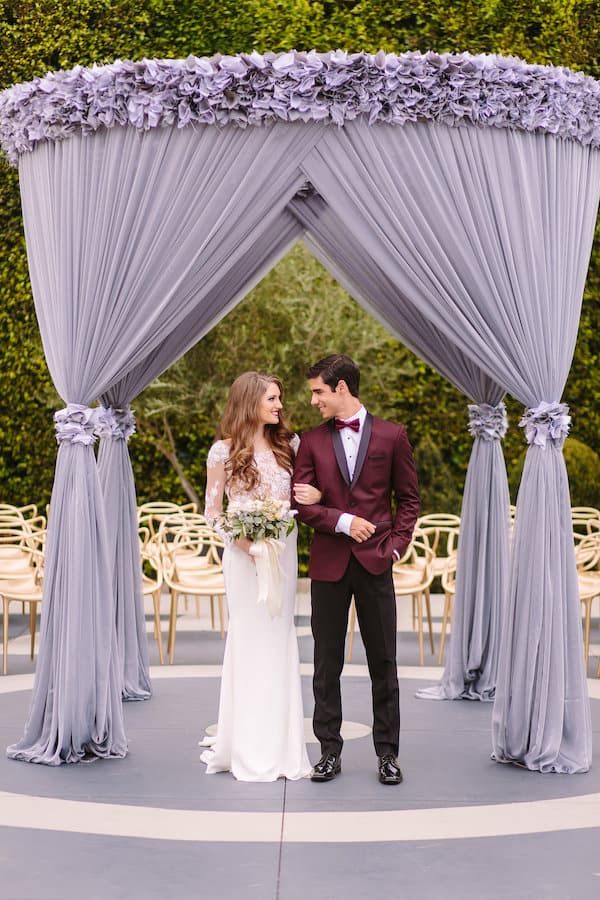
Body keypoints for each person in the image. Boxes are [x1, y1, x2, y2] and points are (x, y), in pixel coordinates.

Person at [293, 354, 420, 785]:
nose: (313, 401)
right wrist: (342, 521)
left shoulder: (392, 435)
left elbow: (409, 500)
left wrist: (397, 548)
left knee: (383, 661)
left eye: (318, 391)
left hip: (375, 563)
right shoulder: (309, 441)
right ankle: (329, 751)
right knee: (326, 663)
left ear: (342, 387)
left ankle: (388, 754)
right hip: (328, 565)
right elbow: (301, 506)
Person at [200, 371, 320, 782]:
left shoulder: (292, 447)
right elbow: (213, 515)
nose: (280, 405)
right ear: (249, 402)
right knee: (249, 639)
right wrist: (245, 545)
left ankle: (282, 744)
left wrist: (315, 498)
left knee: (280, 636)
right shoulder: (222, 453)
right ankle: (247, 743)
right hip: (243, 559)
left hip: (283, 554)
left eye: (280, 398)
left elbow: (305, 499)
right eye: (272, 398)